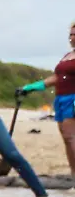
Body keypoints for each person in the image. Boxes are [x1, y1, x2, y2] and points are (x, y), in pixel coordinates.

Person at [19, 22, 75, 175]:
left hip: (73, 99)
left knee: (71, 138)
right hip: (61, 99)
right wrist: (30, 87)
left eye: (74, 34)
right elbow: (56, 78)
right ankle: (73, 176)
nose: (71, 38)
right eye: (70, 34)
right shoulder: (67, 56)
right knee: (66, 139)